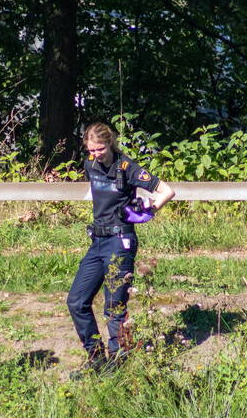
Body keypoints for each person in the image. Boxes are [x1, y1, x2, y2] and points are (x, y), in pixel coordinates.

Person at [66, 121, 175, 370]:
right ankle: (95, 357)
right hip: (98, 241)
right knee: (76, 301)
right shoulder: (89, 166)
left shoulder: (127, 167)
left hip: (120, 241)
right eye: (91, 150)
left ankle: (118, 362)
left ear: (110, 143)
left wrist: (149, 210)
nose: (95, 155)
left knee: (114, 307)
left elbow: (167, 191)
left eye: (100, 149)